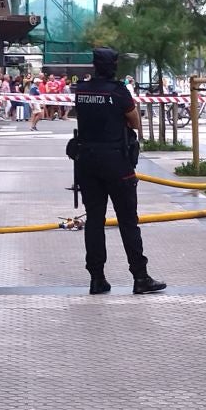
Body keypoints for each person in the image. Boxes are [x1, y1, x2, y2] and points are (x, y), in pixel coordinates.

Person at [72, 47, 166, 295]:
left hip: (88, 161)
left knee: (94, 220)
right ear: (113, 65)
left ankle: (97, 278)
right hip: (116, 162)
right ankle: (140, 277)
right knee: (128, 222)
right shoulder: (119, 92)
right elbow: (135, 121)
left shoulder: (81, 90)